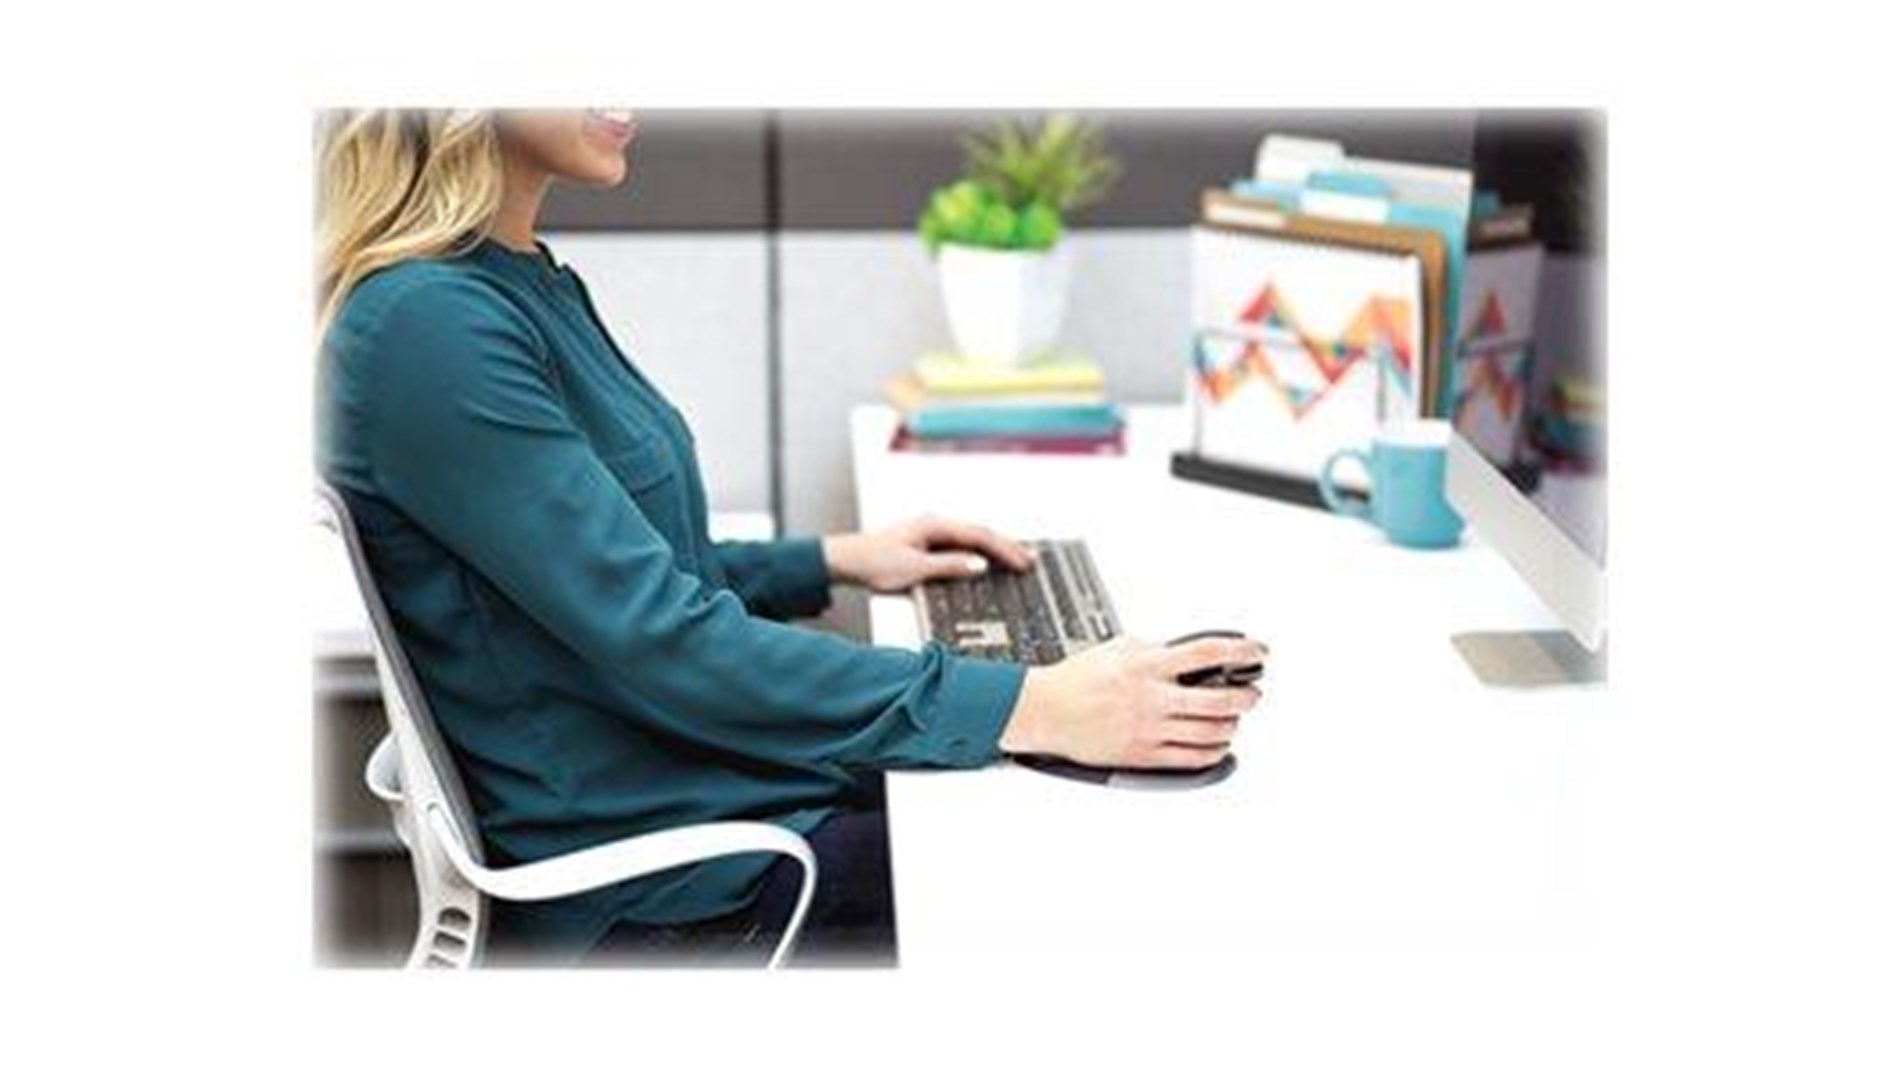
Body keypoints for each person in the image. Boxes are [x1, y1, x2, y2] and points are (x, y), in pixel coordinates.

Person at [315, 108, 1266, 965]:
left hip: (725, 791)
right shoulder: (428, 325)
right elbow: (663, 638)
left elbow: (623, 570)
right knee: (1097, 874)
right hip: (676, 888)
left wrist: (836, 561)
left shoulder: (516, 281)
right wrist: (1035, 703)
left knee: (1068, 802)